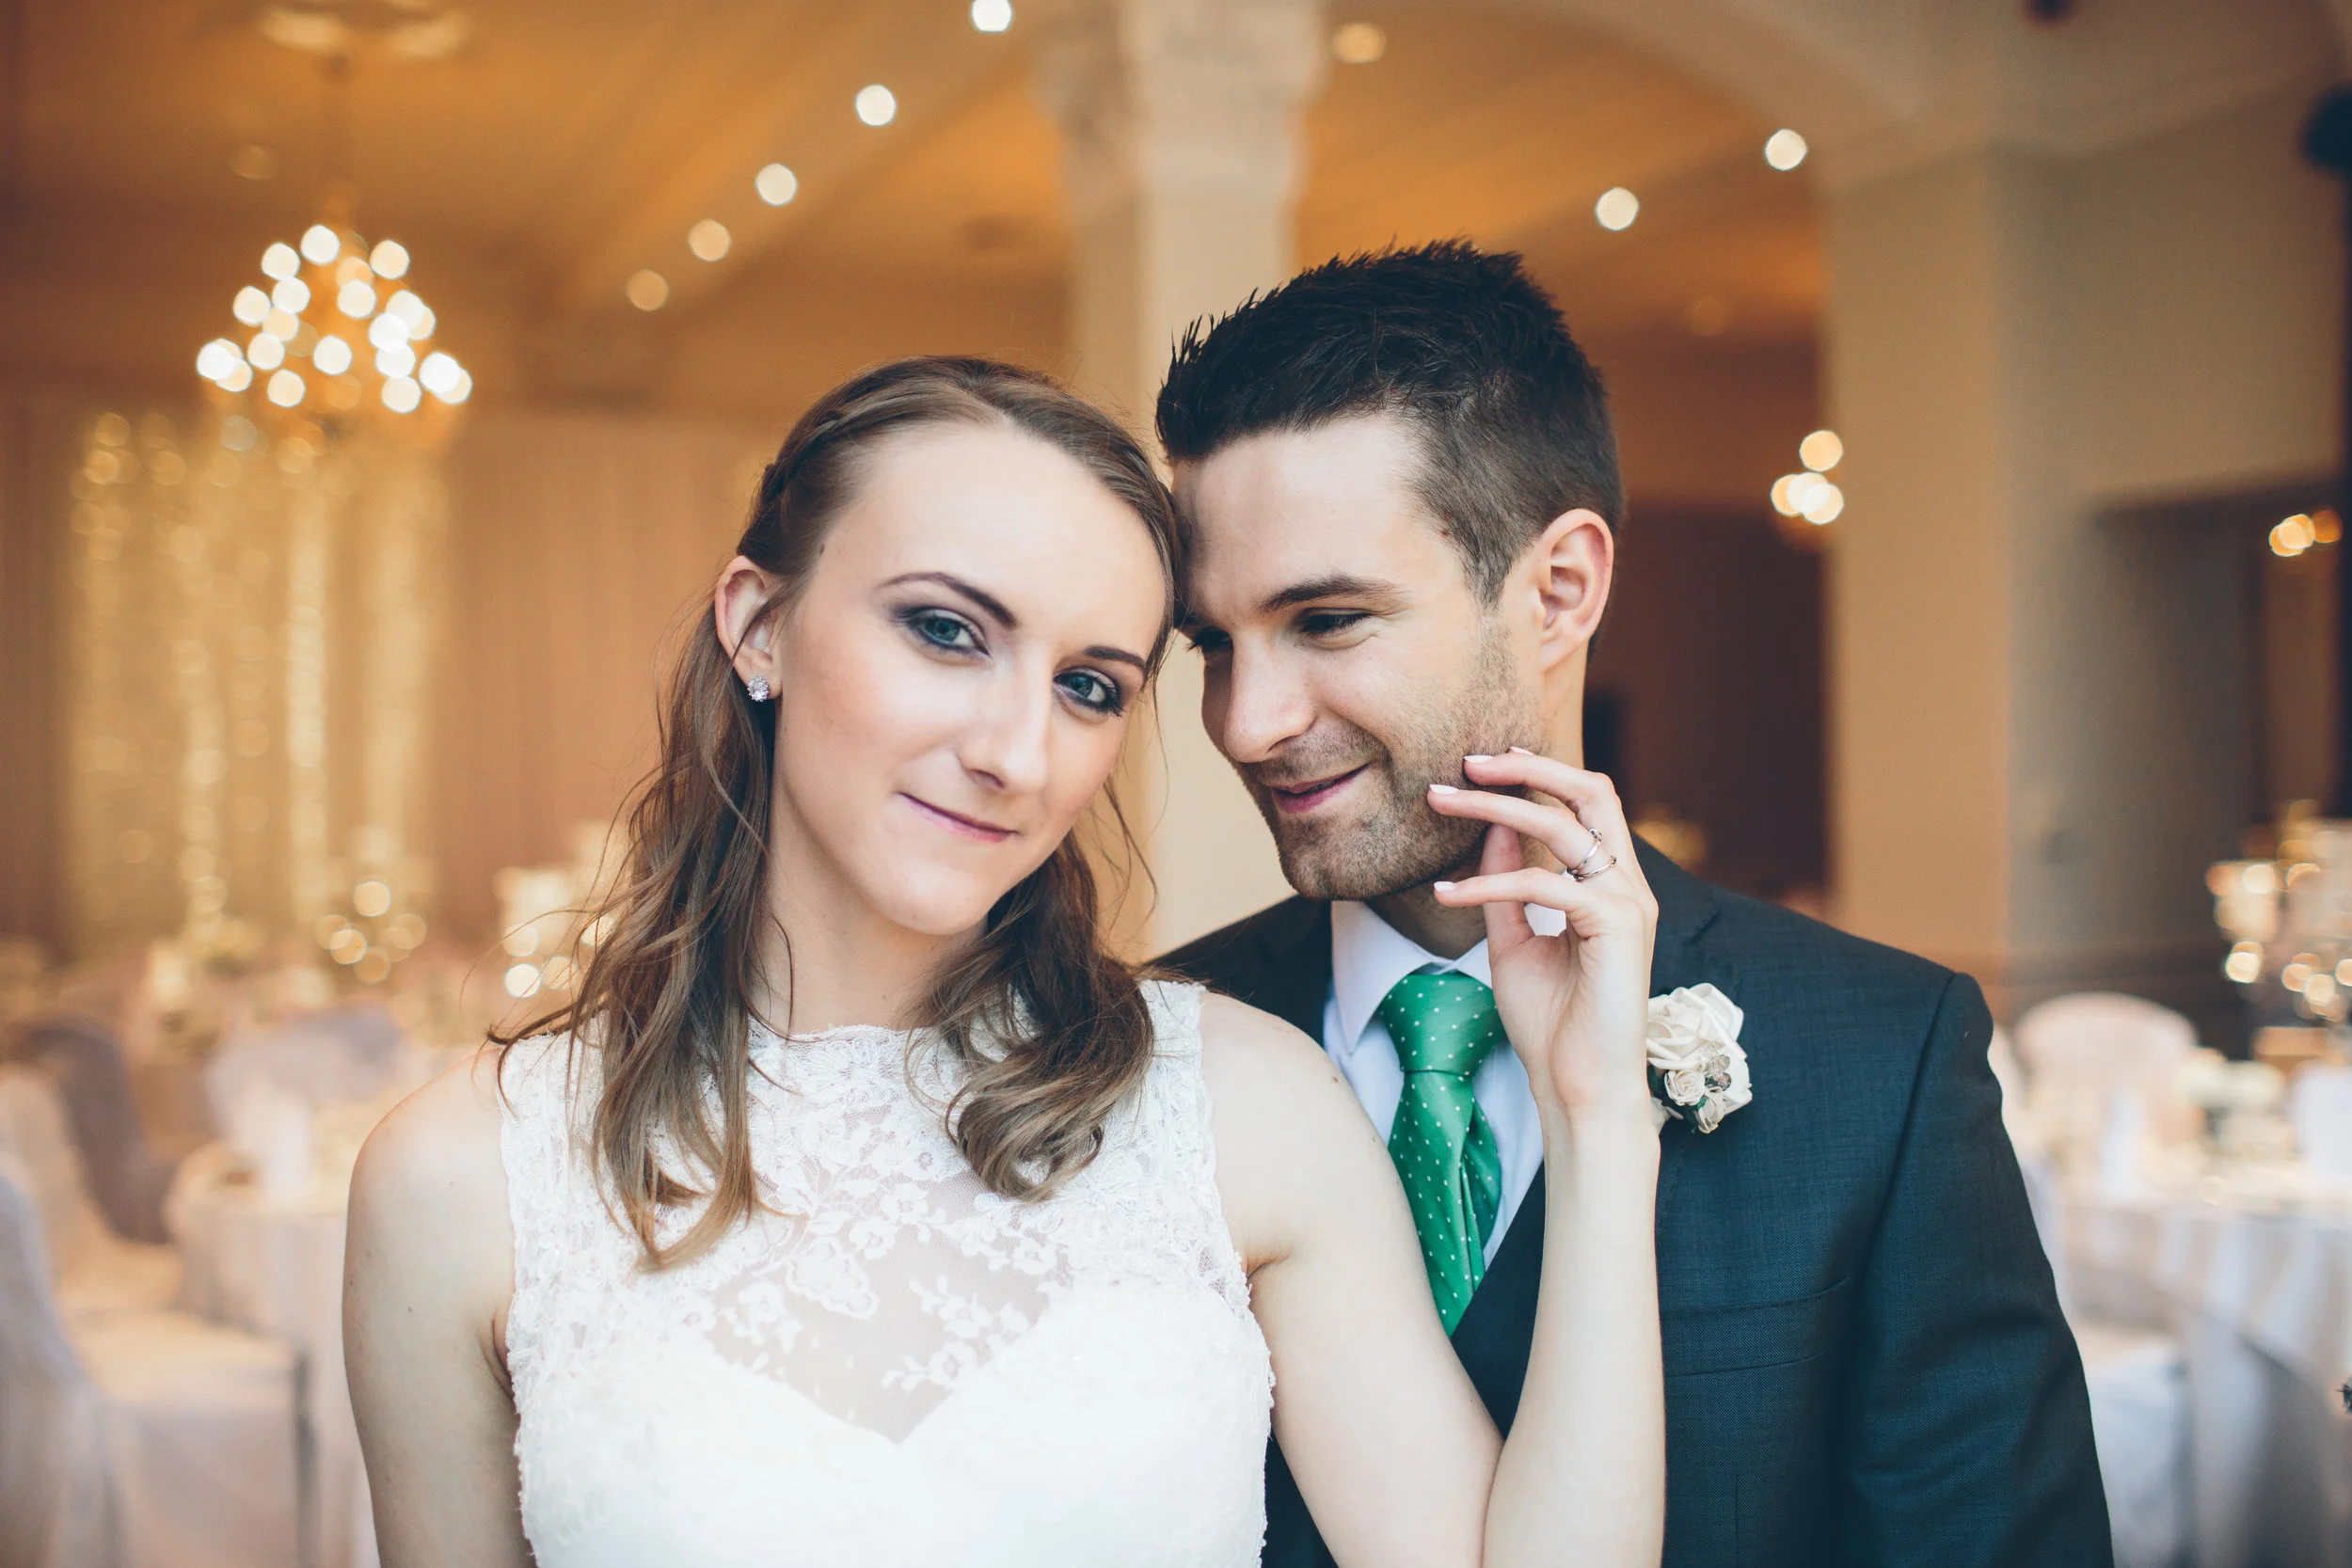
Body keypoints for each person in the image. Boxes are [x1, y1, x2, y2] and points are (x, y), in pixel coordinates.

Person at [344, 356, 1669, 1568]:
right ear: (757, 623)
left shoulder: (1243, 1107)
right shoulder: (458, 1181)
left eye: (1089, 685)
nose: (1015, 751)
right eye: (946, 630)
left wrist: (1601, 1115)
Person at [1154, 244, 2114, 1568]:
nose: (1245, 722)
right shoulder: (1147, 1046)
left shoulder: (1885, 1055)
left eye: (1325, 619)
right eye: (1211, 643)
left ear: (1559, 590)